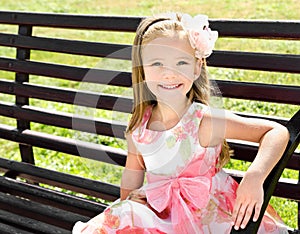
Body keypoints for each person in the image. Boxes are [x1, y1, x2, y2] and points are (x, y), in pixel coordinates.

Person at [73, 12, 290, 233]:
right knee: (120, 217)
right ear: (142, 70)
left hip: (210, 219)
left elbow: (276, 132)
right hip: (163, 218)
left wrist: (254, 177)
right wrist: (133, 199)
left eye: (181, 62)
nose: (169, 74)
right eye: (157, 63)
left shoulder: (203, 121)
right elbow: (130, 183)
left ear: (197, 67)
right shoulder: (140, 129)